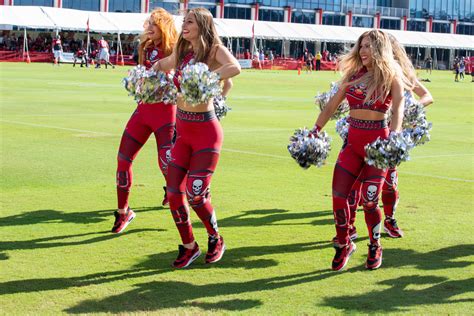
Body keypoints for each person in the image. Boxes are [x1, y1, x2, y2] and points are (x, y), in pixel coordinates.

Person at [312, 30, 410, 271]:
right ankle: (344, 243)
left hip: (378, 146)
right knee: (338, 197)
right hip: (352, 145)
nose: (363, 51)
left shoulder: (392, 78)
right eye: (361, 46)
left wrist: (394, 138)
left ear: (379, 49)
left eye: (368, 46)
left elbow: (398, 111)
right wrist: (314, 130)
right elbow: (331, 107)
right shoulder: (352, 76)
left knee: (369, 201)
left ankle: (375, 245)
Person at [153, 7, 241, 268]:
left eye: (189, 21)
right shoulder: (181, 52)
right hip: (182, 133)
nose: (184, 25)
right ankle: (189, 245)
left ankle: (216, 238)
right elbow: (160, 65)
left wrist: (206, 78)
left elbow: (234, 68)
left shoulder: (213, 49)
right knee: (172, 192)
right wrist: (151, 78)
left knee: (196, 194)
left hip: (206, 132)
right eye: (184, 21)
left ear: (202, 25)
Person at [344, 35, 434, 240]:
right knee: (355, 181)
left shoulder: (399, 73)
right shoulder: (366, 73)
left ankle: (390, 219)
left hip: (388, 134)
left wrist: (410, 109)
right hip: (363, 132)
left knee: (390, 181)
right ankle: (349, 226)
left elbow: (427, 96)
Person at [111, 8, 178, 234]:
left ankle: (174, 191)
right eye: (148, 23)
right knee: (123, 161)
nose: (148, 28)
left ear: (164, 28)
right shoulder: (144, 47)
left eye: (153, 24)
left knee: (167, 165)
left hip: (166, 114)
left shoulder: (175, 49)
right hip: (143, 110)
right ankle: (123, 212)